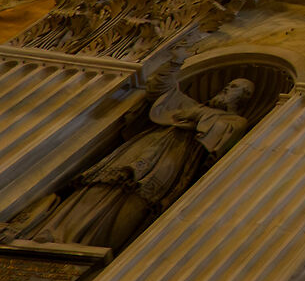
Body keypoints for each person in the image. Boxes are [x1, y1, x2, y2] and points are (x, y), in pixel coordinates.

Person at [7, 65, 257, 251]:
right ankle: (54, 231)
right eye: (230, 84)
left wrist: (196, 118)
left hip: (174, 161)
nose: (228, 88)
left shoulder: (235, 121)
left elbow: (219, 137)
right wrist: (174, 61)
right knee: (100, 186)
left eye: (236, 88)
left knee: (136, 201)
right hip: (144, 148)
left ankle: (92, 244)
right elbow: (162, 89)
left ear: (245, 98)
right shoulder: (190, 104)